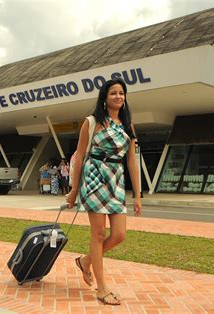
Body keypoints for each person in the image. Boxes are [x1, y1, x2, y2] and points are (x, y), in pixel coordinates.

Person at [66, 78, 141, 306]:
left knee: (119, 235)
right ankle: (102, 288)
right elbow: (79, 157)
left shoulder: (128, 125)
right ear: (104, 98)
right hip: (94, 178)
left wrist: (137, 195)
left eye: (121, 93)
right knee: (98, 235)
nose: (118, 97)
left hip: (116, 180)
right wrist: (73, 189)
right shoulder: (92, 122)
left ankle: (86, 260)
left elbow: (131, 162)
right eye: (113, 93)